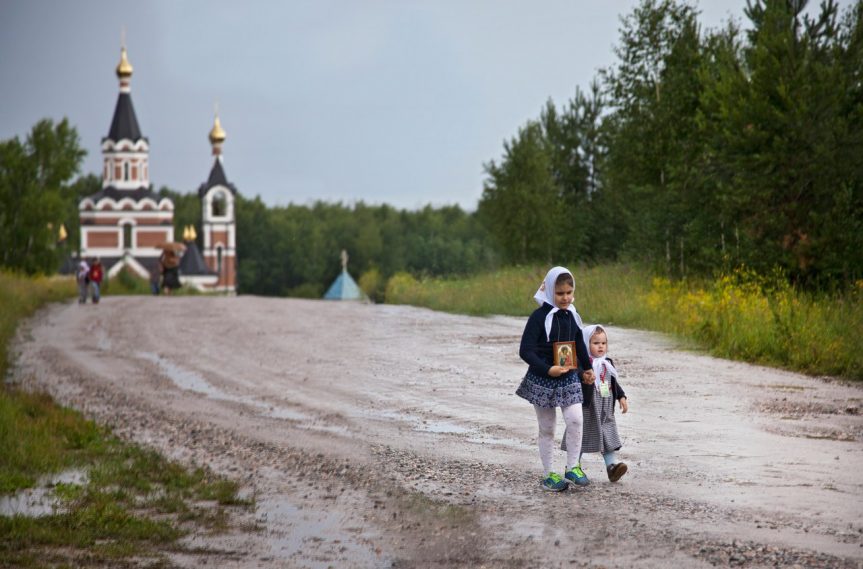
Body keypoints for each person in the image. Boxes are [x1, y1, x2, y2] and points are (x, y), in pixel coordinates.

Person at [516, 266, 595, 491]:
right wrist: (547, 368)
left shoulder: (572, 315)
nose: (565, 298)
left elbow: (579, 342)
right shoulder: (539, 317)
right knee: (547, 427)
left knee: (576, 419)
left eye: (569, 292)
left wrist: (587, 368)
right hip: (543, 379)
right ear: (550, 291)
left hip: (569, 376)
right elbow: (526, 350)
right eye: (560, 294)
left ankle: (572, 466)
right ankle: (549, 474)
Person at [562, 324, 629, 482]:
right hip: (588, 407)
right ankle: (573, 466)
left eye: (603, 343)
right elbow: (574, 377)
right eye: (596, 343)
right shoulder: (583, 364)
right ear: (585, 343)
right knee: (581, 434)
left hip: (605, 408)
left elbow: (613, 382)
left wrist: (621, 397)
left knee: (607, 434)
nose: (601, 347)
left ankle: (612, 466)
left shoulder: (607, 362)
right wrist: (583, 376)